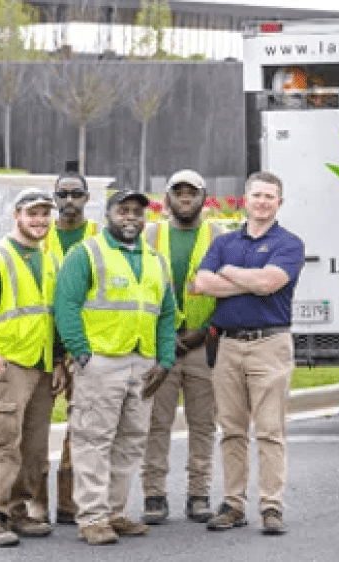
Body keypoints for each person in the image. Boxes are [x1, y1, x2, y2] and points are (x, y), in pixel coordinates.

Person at [53, 187, 177, 545]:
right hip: (100, 362)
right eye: (123, 210)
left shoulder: (156, 260)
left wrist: (165, 360)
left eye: (138, 212)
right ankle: (91, 518)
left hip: (143, 364)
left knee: (131, 441)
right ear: (108, 214)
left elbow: (166, 315)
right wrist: (80, 353)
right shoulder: (87, 254)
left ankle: (115, 512)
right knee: (93, 441)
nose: (131, 218)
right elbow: (66, 304)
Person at [194, 171, 305, 536]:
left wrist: (227, 273)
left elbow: (269, 283)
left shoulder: (289, 243)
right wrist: (247, 279)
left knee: (271, 430)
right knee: (232, 430)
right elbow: (201, 283)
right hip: (227, 345)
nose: (262, 202)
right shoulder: (225, 241)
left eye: (269, 197)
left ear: (279, 203)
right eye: (256, 195)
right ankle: (232, 504)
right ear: (245, 199)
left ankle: (271, 507)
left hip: (269, 345)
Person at [0, 188, 68, 547]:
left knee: (34, 447)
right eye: (32, 214)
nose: (40, 221)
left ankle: (19, 510)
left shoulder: (49, 260)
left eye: (44, 214)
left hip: (39, 367)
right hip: (6, 368)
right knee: (3, 443)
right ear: (16, 216)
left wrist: (55, 361)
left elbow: (51, 317)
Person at [141, 170, 224, 525]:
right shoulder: (150, 234)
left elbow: (228, 290)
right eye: (179, 191)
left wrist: (203, 332)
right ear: (168, 197)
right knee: (155, 424)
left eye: (193, 191)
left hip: (204, 346)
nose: (185, 197)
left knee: (202, 425)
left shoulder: (219, 237)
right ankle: (154, 496)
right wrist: (164, 340)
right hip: (161, 348)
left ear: (204, 197)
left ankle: (199, 495)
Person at [30, 170, 99, 526]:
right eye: (62, 194)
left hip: (83, 349)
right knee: (36, 429)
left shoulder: (100, 238)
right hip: (42, 349)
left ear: (87, 198)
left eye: (76, 194)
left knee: (82, 429)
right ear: (54, 198)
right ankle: (35, 503)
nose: (69, 201)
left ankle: (70, 504)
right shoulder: (39, 241)